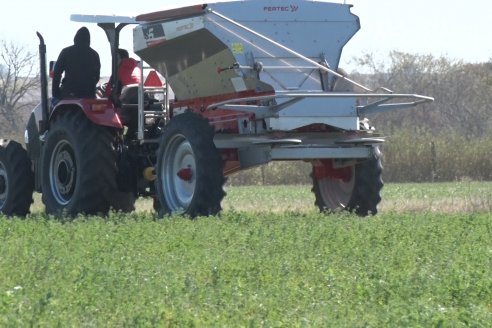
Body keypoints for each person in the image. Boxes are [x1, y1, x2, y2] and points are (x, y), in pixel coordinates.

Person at [52, 27, 101, 99]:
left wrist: (56, 92)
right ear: (88, 40)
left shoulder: (66, 52)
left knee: (52, 104)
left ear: (75, 38)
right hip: (89, 95)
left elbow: (57, 73)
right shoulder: (94, 54)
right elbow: (96, 76)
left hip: (69, 93)